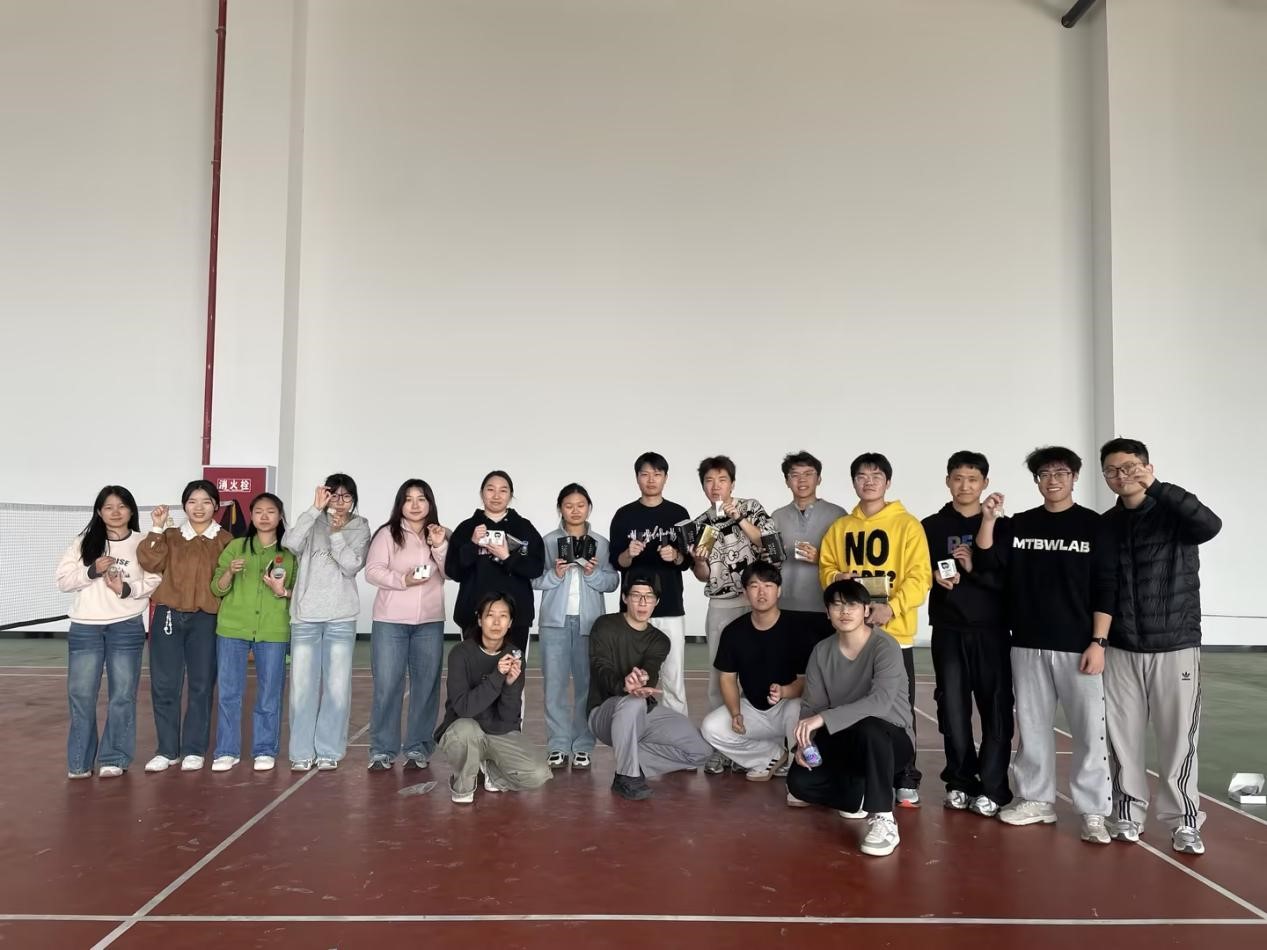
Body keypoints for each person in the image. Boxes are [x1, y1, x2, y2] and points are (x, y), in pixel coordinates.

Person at [974, 446, 1114, 844]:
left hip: (1078, 646)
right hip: (1027, 643)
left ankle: (1093, 811)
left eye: (1061, 473)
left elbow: (1107, 586)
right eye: (1045, 474)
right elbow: (987, 560)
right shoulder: (1020, 524)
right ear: (1037, 481)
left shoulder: (1094, 526)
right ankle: (1036, 799)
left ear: (1074, 477)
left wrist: (1098, 641)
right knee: (1033, 726)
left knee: (1089, 731)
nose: (1053, 480)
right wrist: (988, 519)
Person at [1096, 438, 1222, 854]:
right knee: (1121, 738)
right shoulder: (1107, 524)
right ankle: (1127, 813)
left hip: (1175, 644)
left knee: (1178, 739)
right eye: (1112, 470)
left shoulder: (1175, 514)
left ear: (1147, 468)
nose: (1122, 476)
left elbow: (1210, 525)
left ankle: (1184, 821)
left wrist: (1160, 488)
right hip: (1122, 648)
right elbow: (1103, 584)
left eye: (1130, 467)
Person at [819, 452, 930, 805]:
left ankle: (905, 775)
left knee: (898, 708)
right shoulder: (841, 527)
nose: (868, 481)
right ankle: (862, 770)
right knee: (853, 703)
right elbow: (826, 569)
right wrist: (837, 577)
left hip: (894, 635)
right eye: (861, 476)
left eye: (876, 475)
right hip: (852, 638)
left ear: (888, 482)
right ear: (853, 482)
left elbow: (920, 577)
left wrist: (891, 608)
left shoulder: (908, 525)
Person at [786, 579, 915, 858]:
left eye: (852, 605)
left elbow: (880, 702)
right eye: (837, 605)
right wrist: (805, 744)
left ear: (866, 610)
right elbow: (812, 705)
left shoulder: (885, 646)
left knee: (870, 728)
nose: (844, 611)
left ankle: (883, 816)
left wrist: (822, 719)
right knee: (799, 782)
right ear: (827, 612)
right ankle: (859, 795)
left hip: (890, 741)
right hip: (846, 738)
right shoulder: (822, 651)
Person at [921, 451, 1013, 816]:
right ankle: (959, 782)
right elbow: (916, 570)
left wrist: (973, 568)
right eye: (958, 478)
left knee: (996, 710)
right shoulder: (930, 526)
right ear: (947, 481)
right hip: (948, 629)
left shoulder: (1002, 527)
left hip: (992, 630)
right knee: (953, 710)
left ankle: (993, 787)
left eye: (973, 479)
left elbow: (1006, 580)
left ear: (985, 483)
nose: (965, 486)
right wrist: (932, 576)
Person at [55, 485, 161, 779]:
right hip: (85, 628)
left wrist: (127, 588)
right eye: (109, 507)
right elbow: (63, 580)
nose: (115, 512)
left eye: (122, 506)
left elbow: (154, 580)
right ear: (99, 512)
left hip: (126, 627)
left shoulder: (142, 542)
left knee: (123, 696)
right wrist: (91, 571)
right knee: (81, 695)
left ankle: (114, 757)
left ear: (131, 511)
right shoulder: (84, 542)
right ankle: (79, 762)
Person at [588, 572, 713, 800]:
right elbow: (600, 666)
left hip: (644, 713)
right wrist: (624, 685)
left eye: (649, 597)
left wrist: (644, 678)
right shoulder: (605, 625)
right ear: (625, 598)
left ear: (657, 601)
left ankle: (633, 765)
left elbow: (652, 668)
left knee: (701, 752)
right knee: (633, 702)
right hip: (605, 713)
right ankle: (627, 776)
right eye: (636, 595)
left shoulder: (660, 640)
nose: (643, 602)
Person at [137, 479, 233, 773]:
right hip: (168, 617)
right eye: (192, 501)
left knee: (201, 685)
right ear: (184, 506)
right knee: (164, 685)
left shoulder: (226, 540)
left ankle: (194, 749)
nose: (199, 507)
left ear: (216, 506)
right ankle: (167, 750)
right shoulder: (170, 536)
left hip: (206, 620)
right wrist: (156, 527)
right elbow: (149, 562)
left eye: (206, 502)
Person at [700, 563, 824, 780]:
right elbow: (727, 678)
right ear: (745, 592)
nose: (762, 592)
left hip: (788, 706)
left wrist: (784, 691)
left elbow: (805, 681)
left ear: (779, 591)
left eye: (768, 585)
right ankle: (769, 757)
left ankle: (797, 770)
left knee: (799, 709)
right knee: (710, 727)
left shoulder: (798, 628)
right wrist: (735, 713)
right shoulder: (733, 632)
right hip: (753, 709)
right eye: (754, 586)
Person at [283, 474, 371, 772]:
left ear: (353, 499)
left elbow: (351, 566)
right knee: (302, 687)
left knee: (336, 687)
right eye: (334, 495)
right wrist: (314, 510)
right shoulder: (311, 520)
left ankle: (329, 749)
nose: (340, 502)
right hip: (305, 616)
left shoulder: (360, 526)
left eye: (346, 496)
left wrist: (335, 534)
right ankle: (300, 751)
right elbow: (290, 543)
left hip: (341, 616)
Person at [364, 479, 450, 772]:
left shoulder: (440, 533)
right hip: (390, 622)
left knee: (426, 686)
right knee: (388, 686)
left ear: (430, 503)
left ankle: (418, 748)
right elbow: (372, 571)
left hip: (430, 622)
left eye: (421, 499)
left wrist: (440, 546)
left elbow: (450, 572)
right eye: (408, 499)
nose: (415, 505)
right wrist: (404, 580)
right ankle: (382, 750)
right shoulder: (387, 534)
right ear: (400, 504)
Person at [435, 592, 552, 803]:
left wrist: (510, 685)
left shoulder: (514, 656)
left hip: (498, 731)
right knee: (466, 730)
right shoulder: (460, 653)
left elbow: (509, 719)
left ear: (510, 623)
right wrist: (497, 676)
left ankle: (492, 770)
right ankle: (463, 784)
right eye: (490, 615)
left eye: (503, 616)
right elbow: (464, 709)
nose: (497, 622)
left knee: (538, 774)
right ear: (480, 620)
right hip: (464, 728)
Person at [534, 483, 619, 769]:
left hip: (590, 624)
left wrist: (592, 574)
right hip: (554, 623)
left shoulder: (601, 543)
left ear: (589, 508)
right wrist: (556, 575)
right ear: (560, 508)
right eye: (568, 505)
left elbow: (612, 582)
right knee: (554, 686)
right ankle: (557, 745)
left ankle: (583, 745)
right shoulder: (548, 541)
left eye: (580, 505)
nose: (575, 510)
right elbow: (533, 580)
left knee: (587, 686)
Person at [689, 455, 780, 722]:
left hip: (757, 602)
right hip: (721, 605)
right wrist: (698, 561)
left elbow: (767, 543)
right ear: (703, 486)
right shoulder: (701, 523)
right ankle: (722, 732)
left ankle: (762, 728)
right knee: (719, 670)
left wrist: (738, 518)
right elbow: (704, 575)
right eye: (709, 481)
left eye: (722, 480)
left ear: (733, 483)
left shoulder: (750, 508)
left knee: (761, 666)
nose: (715, 486)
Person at [209, 493, 295, 772]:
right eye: (259, 511)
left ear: (280, 516)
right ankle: (226, 750)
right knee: (229, 692)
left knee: (270, 693)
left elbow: (300, 593)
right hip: (233, 627)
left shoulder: (290, 552)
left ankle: (265, 749)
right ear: (252, 515)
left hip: (273, 629)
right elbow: (217, 588)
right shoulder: (236, 547)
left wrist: (283, 591)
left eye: (271, 511)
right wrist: (229, 572)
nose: (265, 516)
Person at [608, 452, 693, 714]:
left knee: (673, 679)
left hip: (669, 607)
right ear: (637, 478)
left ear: (666, 478)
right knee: (632, 677)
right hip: (633, 610)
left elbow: (688, 560)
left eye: (657, 474)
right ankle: (633, 730)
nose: (651, 479)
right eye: (645, 474)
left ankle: (677, 734)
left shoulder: (679, 514)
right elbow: (616, 562)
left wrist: (675, 555)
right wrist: (628, 554)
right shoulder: (624, 515)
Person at [446, 471, 545, 656]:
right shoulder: (467, 528)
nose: (496, 495)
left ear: (511, 495)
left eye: (503, 490)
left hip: (516, 618)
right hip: (473, 616)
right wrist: (472, 545)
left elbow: (536, 568)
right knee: (474, 670)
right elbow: (453, 572)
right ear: (482, 493)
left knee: (512, 670)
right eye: (490, 489)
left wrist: (508, 557)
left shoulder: (524, 527)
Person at [771, 451, 846, 613]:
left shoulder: (838, 515)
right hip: (784, 605)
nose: (802, 480)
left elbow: (848, 563)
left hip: (826, 606)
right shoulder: (777, 516)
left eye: (808, 474)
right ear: (787, 481)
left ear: (819, 479)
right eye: (795, 475)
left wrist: (820, 558)